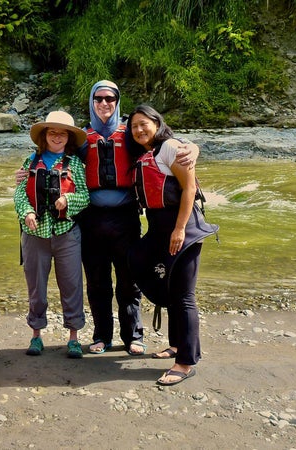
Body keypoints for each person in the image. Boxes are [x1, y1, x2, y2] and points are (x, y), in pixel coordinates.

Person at [16, 80, 199, 356]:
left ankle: (133, 336)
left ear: (117, 101)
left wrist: (192, 148)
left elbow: (164, 143)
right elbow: (50, 158)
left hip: (125, 217)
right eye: (98, 98)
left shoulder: (130, 133)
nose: (104, 103)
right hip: (89, 219)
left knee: (129, 279)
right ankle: (102, 335)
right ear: (91, 102)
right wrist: (22, 174)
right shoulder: (81, 140)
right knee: (97, 280)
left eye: (110, 98)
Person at [125, 104, 218, 385]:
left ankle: (185, 362)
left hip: (184, 228)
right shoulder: (149, 153)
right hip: (158, 227)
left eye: (144, 124)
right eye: (134, 127)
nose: (139, 130)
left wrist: (179, 229)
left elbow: (189, 188)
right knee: (138, 260)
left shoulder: (170, 148)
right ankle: (176, 344)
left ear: (157, 123)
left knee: (184, 296)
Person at [14, 110, 90, 358]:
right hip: (34, 234)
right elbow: (20, 194)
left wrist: (68, 199)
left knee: (72, 285)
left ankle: (74, 337)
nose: (57, 137)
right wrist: (27, 212)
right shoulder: (29, 162)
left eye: (62, 133)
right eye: (52, 132)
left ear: (68, 138)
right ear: (44, 136)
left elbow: (85, 197)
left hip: (66, 232)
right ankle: (36, 335)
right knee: (36, 287)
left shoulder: (75, 164)